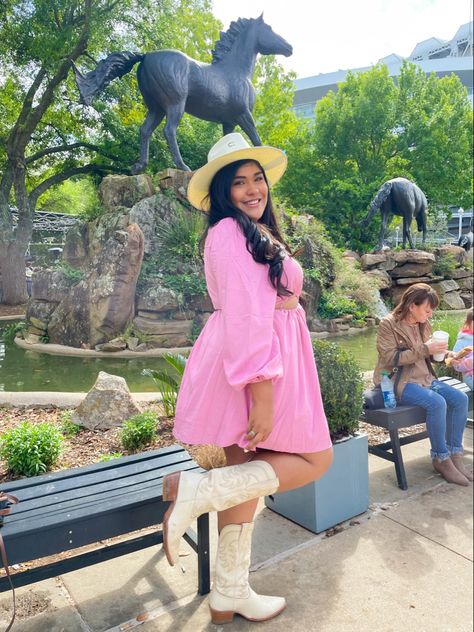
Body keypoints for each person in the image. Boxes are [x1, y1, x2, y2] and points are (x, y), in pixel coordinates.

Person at [162, 133, 333, 624]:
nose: (253, 188)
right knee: (316, 458)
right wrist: (261, 392)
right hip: (255, 368)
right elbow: (245, 316)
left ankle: (228, 593)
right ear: (220, 191)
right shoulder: (228, 234)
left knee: (245, 485)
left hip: (270, 362)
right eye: (239, 182)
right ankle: (197, 492)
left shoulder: (251, 231)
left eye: (257, 178)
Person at [373, 283, 471, 486]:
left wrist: (449, 356)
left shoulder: (423, 323)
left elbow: (432, 356)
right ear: (412, 306)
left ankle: (454, 454)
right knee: (437, 403)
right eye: (427, 309)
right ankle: (440, 458)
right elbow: (390, 357)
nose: (430, 313)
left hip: (426, 379)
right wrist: (425, 348)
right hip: (399, 382)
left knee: (460, 399)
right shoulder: (388, 324)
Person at [448, 308, 473, 390]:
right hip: (471, 377)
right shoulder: (463, 341)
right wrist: (471, 361)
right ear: (469, 323)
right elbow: (456, 364)